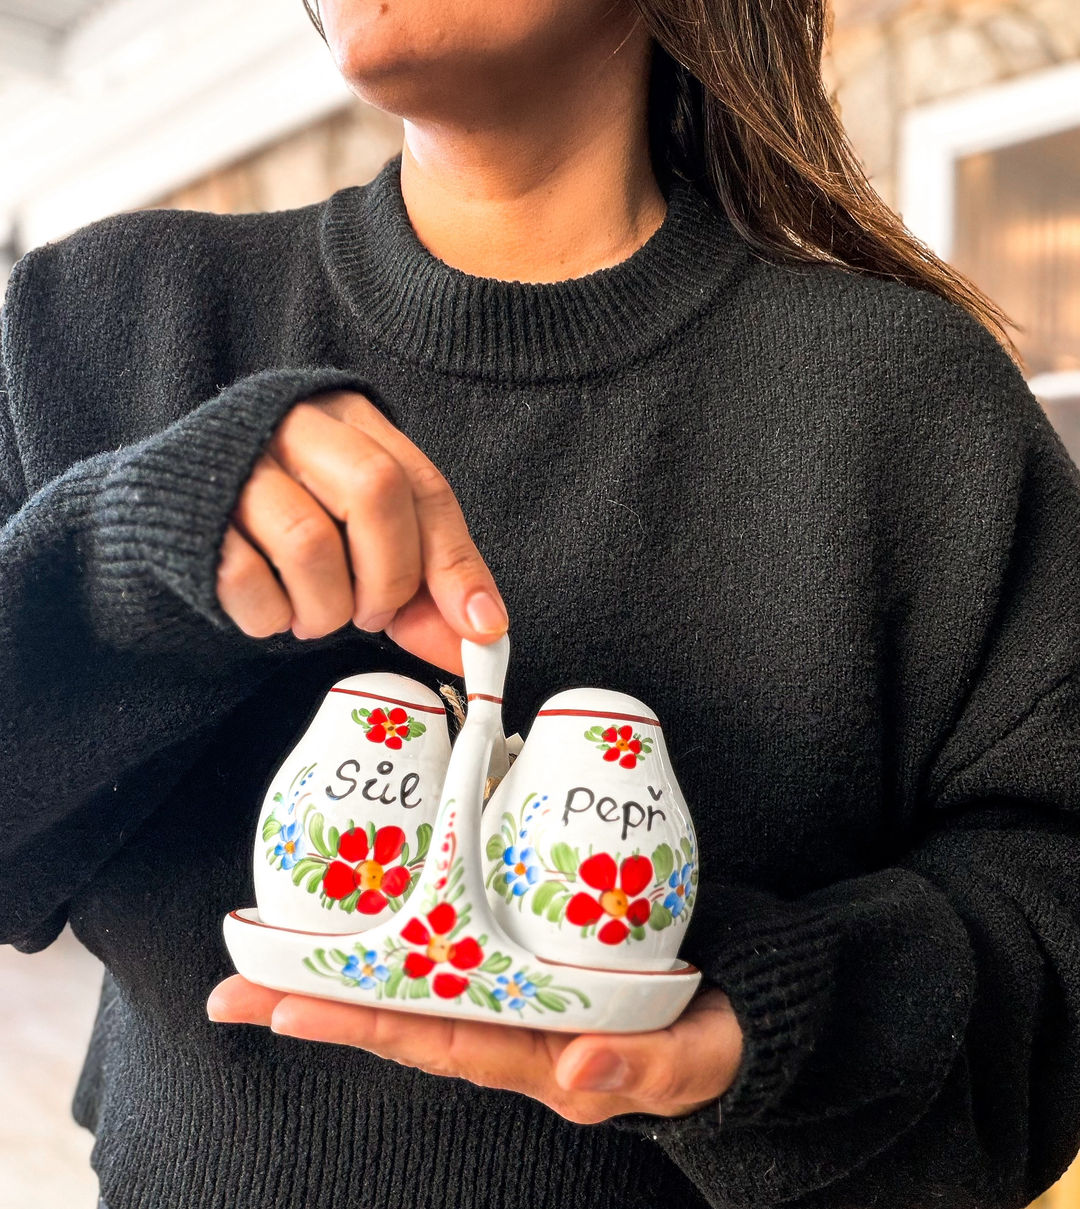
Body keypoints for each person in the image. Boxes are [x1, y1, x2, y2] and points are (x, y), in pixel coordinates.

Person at [1, 0, 1078, 1206]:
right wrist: (126, 552)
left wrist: (781, 1022)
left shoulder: (909, 403)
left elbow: (1052, 908)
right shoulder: (102, 325)